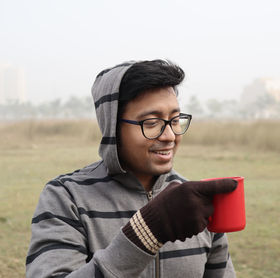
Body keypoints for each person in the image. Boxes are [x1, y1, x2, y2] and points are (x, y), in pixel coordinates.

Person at [26, 60, 238, 277]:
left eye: (175, 120)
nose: (170, 136)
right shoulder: (66, 197)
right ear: (112, 127)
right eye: (151, 122)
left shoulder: (196, 202)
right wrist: (147, 231)